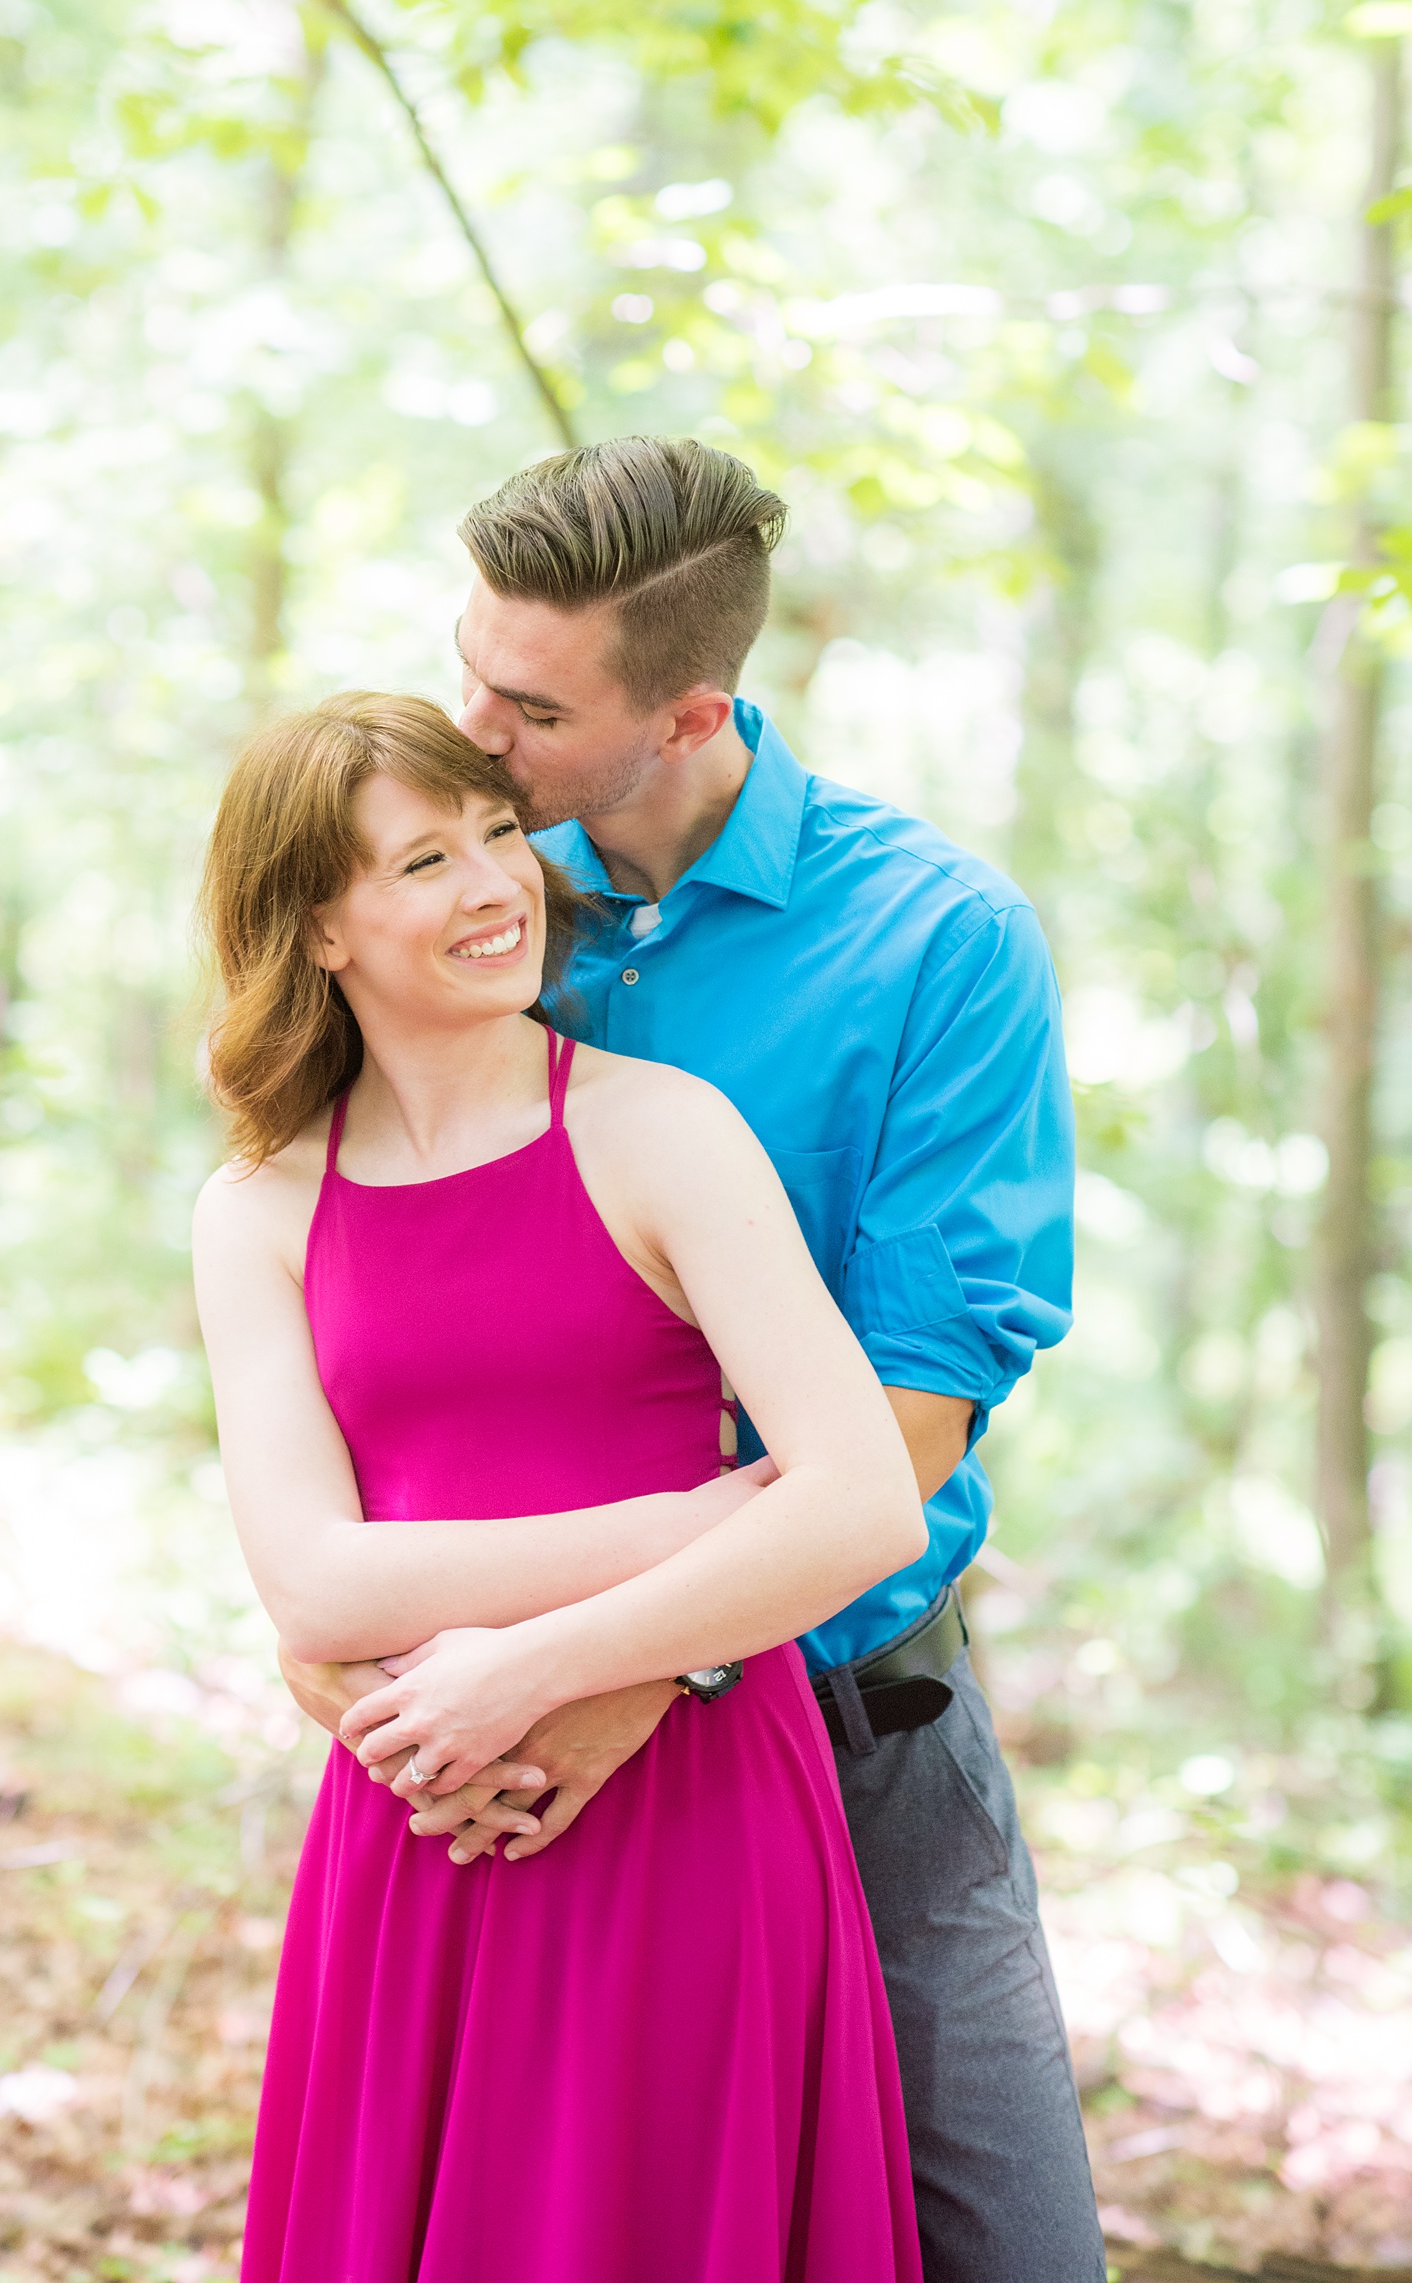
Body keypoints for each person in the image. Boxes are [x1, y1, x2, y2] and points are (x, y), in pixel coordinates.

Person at [281, 440, 1104, 2283]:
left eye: (530, 705)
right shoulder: (480, 909)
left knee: (1007, 2247)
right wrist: (333, 1648)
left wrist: (627, 1667)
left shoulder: (937, 944)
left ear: (688, 712)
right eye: (469, 663)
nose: (471, 725)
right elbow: (359, 1290)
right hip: (494, 1715)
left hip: (846, 1705)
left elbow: (901, 1421)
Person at [194, 692, 927, 2283]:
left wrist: (532, 1661)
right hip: (425, 1818)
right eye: (422, 860)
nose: (493, 885)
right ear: (319, 926)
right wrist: (721, 1514)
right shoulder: (257, 1207)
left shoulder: (663, 1131)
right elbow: (313, 1588)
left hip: (690, 1815)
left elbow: (868, 1507)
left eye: (496, 835)